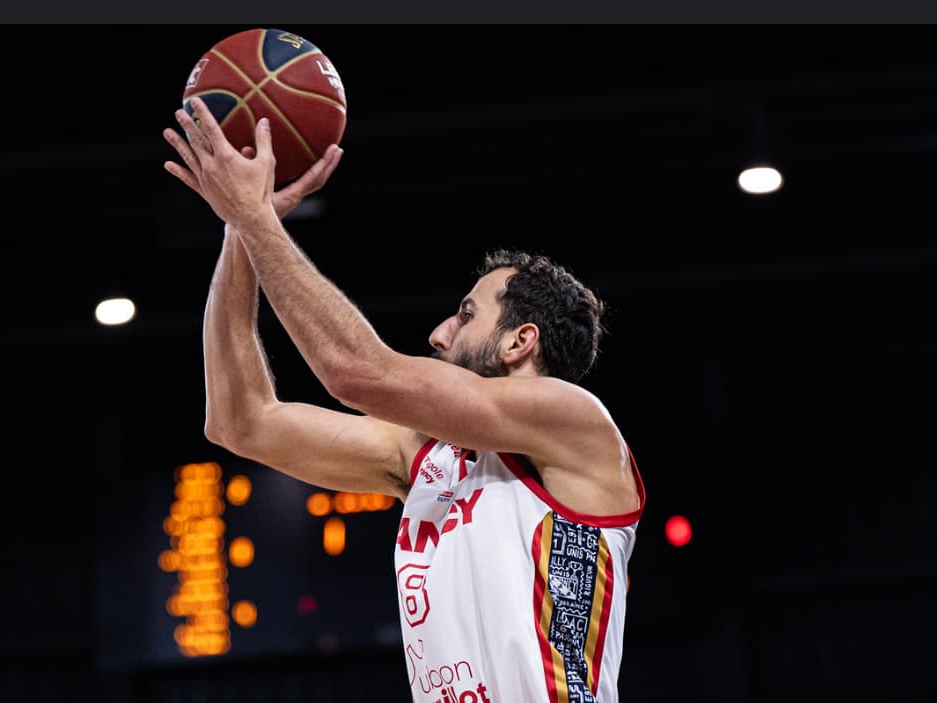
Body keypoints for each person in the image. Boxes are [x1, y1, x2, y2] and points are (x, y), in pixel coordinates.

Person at [163, 97, 645, 703]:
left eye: (467, 315)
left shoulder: (575, 422)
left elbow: (355, 372)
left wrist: (258, 220)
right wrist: (241, 230)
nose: (439, 333)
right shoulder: (424, 455)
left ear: (522, 342)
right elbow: (240, 421)